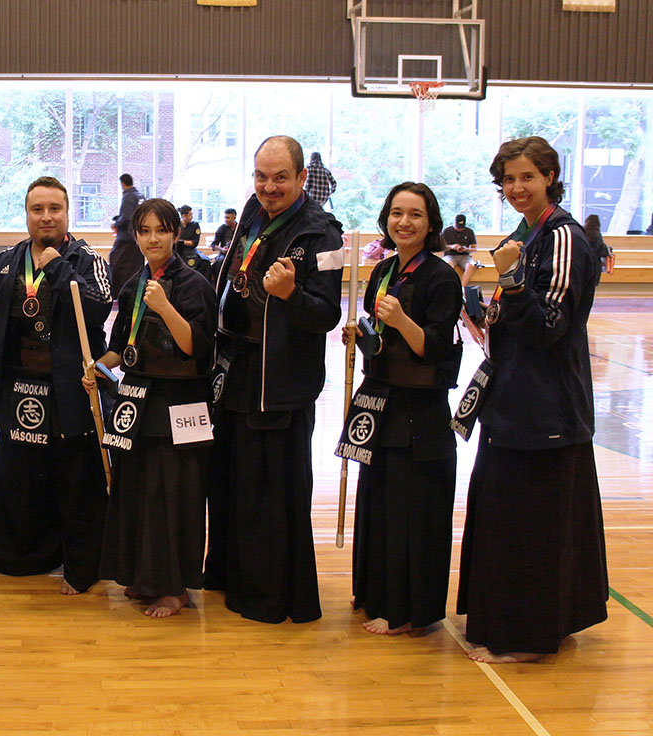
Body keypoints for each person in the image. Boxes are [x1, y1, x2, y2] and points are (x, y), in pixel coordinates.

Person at [456, 136, 608, 663]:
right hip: (512, 402)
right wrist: (488, 312)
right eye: (508, 179)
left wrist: (513, 283)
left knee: (534, 526)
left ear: (550, 177)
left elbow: (550, 325)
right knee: (511, 518)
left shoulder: (562, 236)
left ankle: (528, 638)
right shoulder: (525, 235)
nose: (517, 187)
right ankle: (528, 624)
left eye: (527, 177)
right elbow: (521, 319)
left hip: (547, 410)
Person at [205, 135, 344, 624]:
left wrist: (290, 295)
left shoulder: (323, 235)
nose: (269, 187)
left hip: (280, 382)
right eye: (261, 176)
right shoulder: (252, 211)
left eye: (281, 177)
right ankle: (230, 576)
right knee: (231, 482)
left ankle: (270, 596)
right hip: (235, 370)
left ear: (303, 178)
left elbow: (327, 314)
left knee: (270, 493)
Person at [0, 176, 112, 595]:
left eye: (55, 208)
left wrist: (57, 267)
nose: (46, 217)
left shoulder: (87, 258)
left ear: (68, 213)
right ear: (27, 214)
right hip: (19, 385)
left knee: (74, 477)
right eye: (38, 209)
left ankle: (81, 566)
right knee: (20, 474)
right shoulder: (7, 260)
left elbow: (97, 309)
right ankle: (22, 556)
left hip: (69, 388)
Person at [85, 198, 216, 617]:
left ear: (176, 233)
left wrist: (164, 307)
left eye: (161, 230)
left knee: (174, 496)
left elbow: (196, 347)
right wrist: (96, 367)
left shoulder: (195, 284)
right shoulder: (132, 286)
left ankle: (174, 589)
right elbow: (121, 349)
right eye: (144, 231)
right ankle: (144, 578)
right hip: (138, 404)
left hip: (181, 404)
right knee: (139, 492)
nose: (153, 239)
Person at [344, 183, 462, 635]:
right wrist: (362, 335)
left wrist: (400, 321)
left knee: (411, 510)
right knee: (378, 502)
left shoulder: (441, 277)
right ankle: (375, 593)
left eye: (415, 214)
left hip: (419, 413)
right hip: (381, 404)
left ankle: (405, 610)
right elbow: (382, 338)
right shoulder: (384, 269)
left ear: (431, 223)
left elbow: (435, 348)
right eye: (396, 213)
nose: (404, 222)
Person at [109, 173, 144, 295]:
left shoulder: (128, 197)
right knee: (136, 268)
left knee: (117, 264)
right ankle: (134, 294)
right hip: (138, 238)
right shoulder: (140, 196)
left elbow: (126, 217)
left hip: (126, 239)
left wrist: (115, 224)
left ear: (123, 184)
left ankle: (118, 294)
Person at [441, 213, 479, 286]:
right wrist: (452, 247)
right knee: (447, 265)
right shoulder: (446, 231)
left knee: (471, 265)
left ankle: (462, 287)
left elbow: (474, 249)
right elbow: (440, 247)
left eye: (461, 227)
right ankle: (450, 285)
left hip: (465, 256)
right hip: (450, 255)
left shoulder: (469, 232)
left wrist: (466, 249)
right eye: (458, 227)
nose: (459, 229)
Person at [174, 204, 210, 279]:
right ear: (184, 215)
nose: (192, 217)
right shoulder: (176, 225)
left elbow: (194, 243)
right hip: (177, 250)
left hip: (190, 250)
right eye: (190, 215)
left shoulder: (195, 225)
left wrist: (182, 242)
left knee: (205, 262)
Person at [583, 214, 610, 285]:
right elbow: (601, 251)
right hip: (594, 266)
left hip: (583, 265)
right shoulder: (597, 235)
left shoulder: (582, 233)